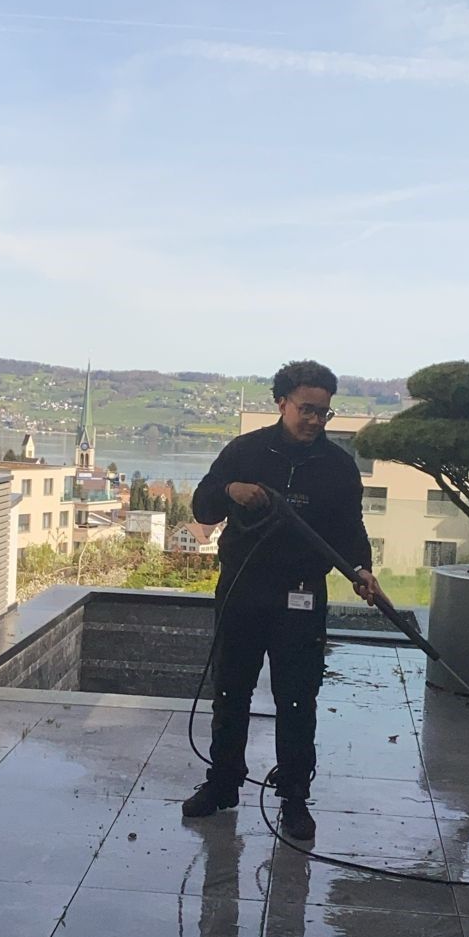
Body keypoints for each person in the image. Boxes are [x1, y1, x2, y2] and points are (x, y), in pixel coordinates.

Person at [183, 359, 379, 843]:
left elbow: (349, 529)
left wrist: (362, 569)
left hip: (302, 592)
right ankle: (223, 782)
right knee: (231, 691)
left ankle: (294, 797)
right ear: (281, 403)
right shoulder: (245, 451)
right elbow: (203, 505)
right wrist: (230, 490)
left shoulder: (337, 467)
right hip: (243, 588)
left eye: (323, 413)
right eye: (306, 409)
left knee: (298, 697)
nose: (314, 420)